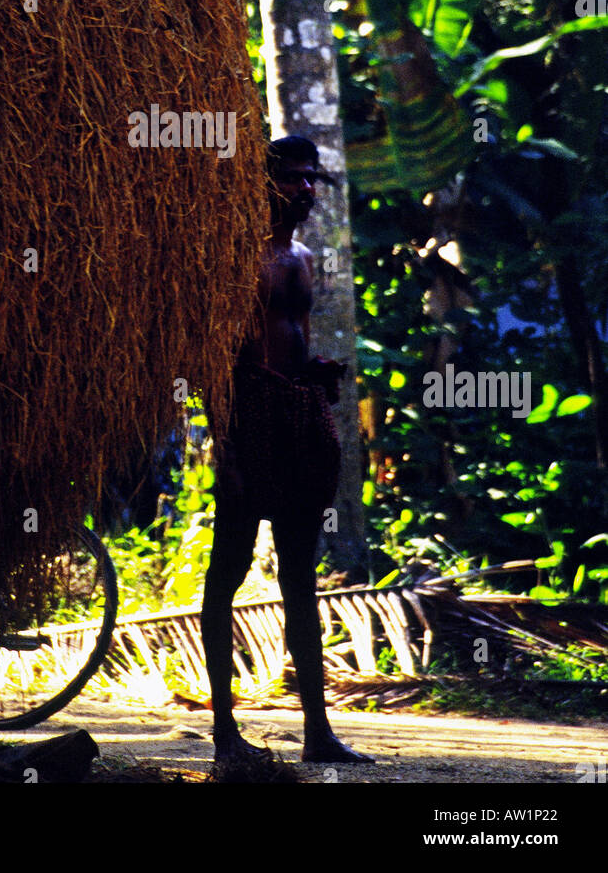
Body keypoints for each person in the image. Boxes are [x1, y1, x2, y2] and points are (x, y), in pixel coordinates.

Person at [200, 135, 372, 765]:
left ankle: (317, 733)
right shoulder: (232, 259)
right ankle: (224, 733)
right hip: (250, 419)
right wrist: (230, 452)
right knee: (228, 573)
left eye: (312, 179)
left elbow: (289, 336)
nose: (305, 189)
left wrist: (315, 370)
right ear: (264, 183)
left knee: (300, 575)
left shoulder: (299, 257)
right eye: (293, 178)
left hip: (298, 415)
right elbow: (217, 360)